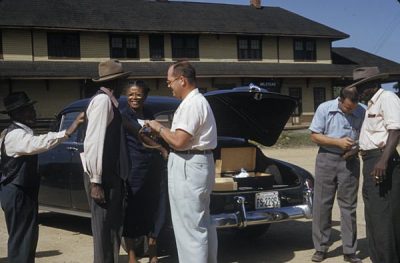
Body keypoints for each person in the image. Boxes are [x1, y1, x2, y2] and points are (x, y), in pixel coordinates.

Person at [145, 61, 218, 263]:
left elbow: (179, 141)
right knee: (202, 222)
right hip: (198, 161)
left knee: (189, 227)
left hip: (188, 163)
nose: (168, 86)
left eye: (170, 82)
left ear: (182, 80)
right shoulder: (198, 102)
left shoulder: (191, 104)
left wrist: (158, 128)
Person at [0, 91, 84, 263]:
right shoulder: (15, 135)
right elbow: (38, 144)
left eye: (32, 109)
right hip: (17, 191)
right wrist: (67, 132)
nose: (33, 113)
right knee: (21, 237)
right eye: (27, 110)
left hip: (21, 190)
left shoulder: (20, 132)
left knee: (27, 236)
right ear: (16, 114)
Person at [309, 86, 365, 263]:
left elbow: (366, 135)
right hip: (326, 158)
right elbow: (315, 136)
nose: (350, 110)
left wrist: (356, 147)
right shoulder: (324, 108)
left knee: (349, 206)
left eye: (353, 108)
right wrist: (337, 142)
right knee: (322, 204)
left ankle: (349, 250)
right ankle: (321, 248)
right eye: (348, 107)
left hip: (350, 161)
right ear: (340, 100)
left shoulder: (362, 111)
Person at [81, 59, 130, 263]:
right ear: (116, 83)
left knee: (111, 230)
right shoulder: (102, 102)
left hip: (110, 174)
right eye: (123, 82)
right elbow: (94, 143)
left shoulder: (109, 102)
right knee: (103, 231)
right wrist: (96, 181)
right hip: (102, 176)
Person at [351, 67, 400, 263]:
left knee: (383, 216)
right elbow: (373, 135)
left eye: (361, 86)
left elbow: (395, 130)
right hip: (370, 160)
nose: (358, 91)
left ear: (372, 85)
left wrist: (383, 161)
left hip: (382, 162)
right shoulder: (371, 104)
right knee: (372, 215)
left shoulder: (387, 98)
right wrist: (356, 150)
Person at [120, 80, 167, 263]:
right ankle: (132, 256)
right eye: (131, 94)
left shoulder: (149, 113)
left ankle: (153, 254)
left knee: (155, 209)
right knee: (132, 211)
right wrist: (162, 150)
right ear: (126, 95)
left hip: (154, 169)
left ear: (145, 96)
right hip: (135, 169)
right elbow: (142, 138)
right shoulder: (124, 116)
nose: (134, 98)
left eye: (138, 94)